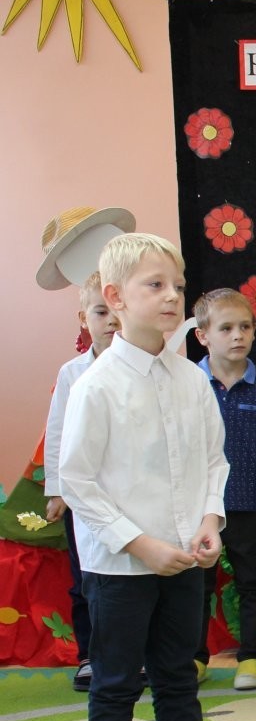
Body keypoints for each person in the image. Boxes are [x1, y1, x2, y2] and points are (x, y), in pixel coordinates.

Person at [59, 233, 251, 721]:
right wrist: (140, 545)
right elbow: (77, 482)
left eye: (177, 285)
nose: (172, 297)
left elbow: (213, 462)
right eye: (155, 285)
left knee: (177, 681)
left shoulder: (191, 380)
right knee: (116, 686)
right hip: (120, 568)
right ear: (115, 298)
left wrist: (209, 520)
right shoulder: (96, 385)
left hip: (184, 560)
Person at [191, 289, 256, 690]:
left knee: (252, 580)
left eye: (245, 327)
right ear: (203, 336)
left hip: (246, 500)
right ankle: (195, 658)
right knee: (197, 584)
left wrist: (249, 477)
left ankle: (250, 658)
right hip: (198, 506)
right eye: (226, 328)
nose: (237, 335)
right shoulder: (189, 382)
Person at [44, 272, 118, 692]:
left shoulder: (146, 368)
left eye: (116, 311)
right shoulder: (72, 374)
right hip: (84, 497)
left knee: (134, 580)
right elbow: (57, 431)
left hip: (129, 494)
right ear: (83, 318)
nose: (111, 321)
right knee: (85, 577)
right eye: (100, 312)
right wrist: (57, 489)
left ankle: (137, 655)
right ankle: (90, 655)